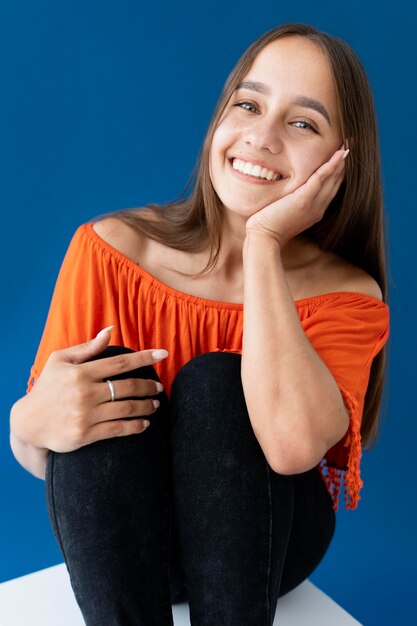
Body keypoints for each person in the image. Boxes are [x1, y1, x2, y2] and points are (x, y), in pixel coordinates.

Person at [9, 22, 390, 626]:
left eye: (302, 123)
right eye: (249, 104)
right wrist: (27, 419)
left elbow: (291, 448)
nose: (262, 137)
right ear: (221, 118)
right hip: (133, 540)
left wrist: (263, 243)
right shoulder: (108, 248)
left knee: (218, 383)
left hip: (274, 542)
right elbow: (54, 451)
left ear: (342, 162)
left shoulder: (347, 294)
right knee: (105, 386)